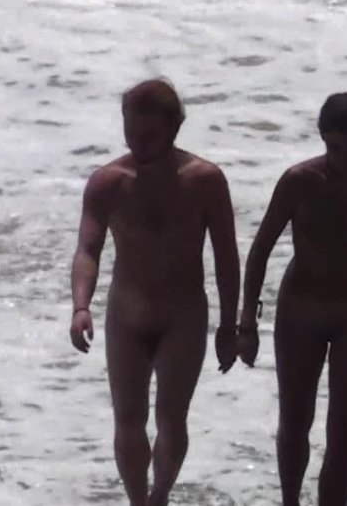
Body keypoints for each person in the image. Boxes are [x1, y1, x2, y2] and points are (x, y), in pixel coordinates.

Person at [68, 78, 240, 506]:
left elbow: (226, 257)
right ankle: (137, 501)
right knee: (128, 420)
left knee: (171, 419)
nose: (137, 142)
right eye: (130, 131)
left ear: (173, 128)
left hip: (182, 317)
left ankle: (160, 494)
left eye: (148, 134)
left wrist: (229, 325)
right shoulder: (108, 182)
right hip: (126, 314)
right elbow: (88, 249)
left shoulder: (205, 180)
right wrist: (80, 306)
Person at [237, 92, 347, 506]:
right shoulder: (299, 180)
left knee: (345, 429)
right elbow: (261, 248)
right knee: (295, 420)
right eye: (335, 147)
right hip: (302, 308)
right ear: (321, 137)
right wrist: (247, 322)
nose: (344, 158)